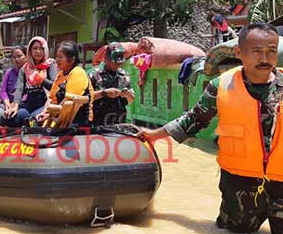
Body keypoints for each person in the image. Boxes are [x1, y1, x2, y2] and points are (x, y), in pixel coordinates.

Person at [136, 23, 283, 233]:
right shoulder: (221, 85)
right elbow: (194, 119)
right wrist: (155, 135)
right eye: (257, 51)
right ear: (239, 52)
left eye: (271, 51)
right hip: (238, 184)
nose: (265, 58)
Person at [36, 41, 94, 126]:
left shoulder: (78, 73)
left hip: (77, 122)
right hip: (60, 118)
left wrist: (49, 115)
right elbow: (52, 98)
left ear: (71, 60)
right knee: (34, 121)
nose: (57, 60)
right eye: (56, 56)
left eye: (60, 57)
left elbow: (68, 101)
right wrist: (44, 112)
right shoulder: (60, 75)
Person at [4, 36, 58, 127]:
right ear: (30, 51)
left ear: (45, 49)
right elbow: (19, 89)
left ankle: (31, 123)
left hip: (45, 104)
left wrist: (42, 80)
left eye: (41, 48)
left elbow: (55, 87)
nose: (38, 51)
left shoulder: (50, 66)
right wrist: (15, 105)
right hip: (29, 104)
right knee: (13, 116)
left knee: (34, 119)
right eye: (35, 48)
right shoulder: (24, 69)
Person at [88, 42, 135, 126]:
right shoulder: (93, 74)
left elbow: (131, 99)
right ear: (106, 58)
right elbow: (86, 97)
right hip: (98, 124)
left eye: (120, 63)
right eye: (115, 62)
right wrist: (104, 93)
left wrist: (127, 94)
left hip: (119, 123)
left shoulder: (124, 75)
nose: (118, 65)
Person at [0, 46, 27, 122]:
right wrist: (7, 103)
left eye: (19, 56)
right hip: (7, 104)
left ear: (26, 57)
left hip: (22, 105)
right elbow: (3, 91)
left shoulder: (29, 73)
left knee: (19, 115)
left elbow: (27, 94)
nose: (17, 59)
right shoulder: (9, 72)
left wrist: (15, 104)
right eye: (14, 57)